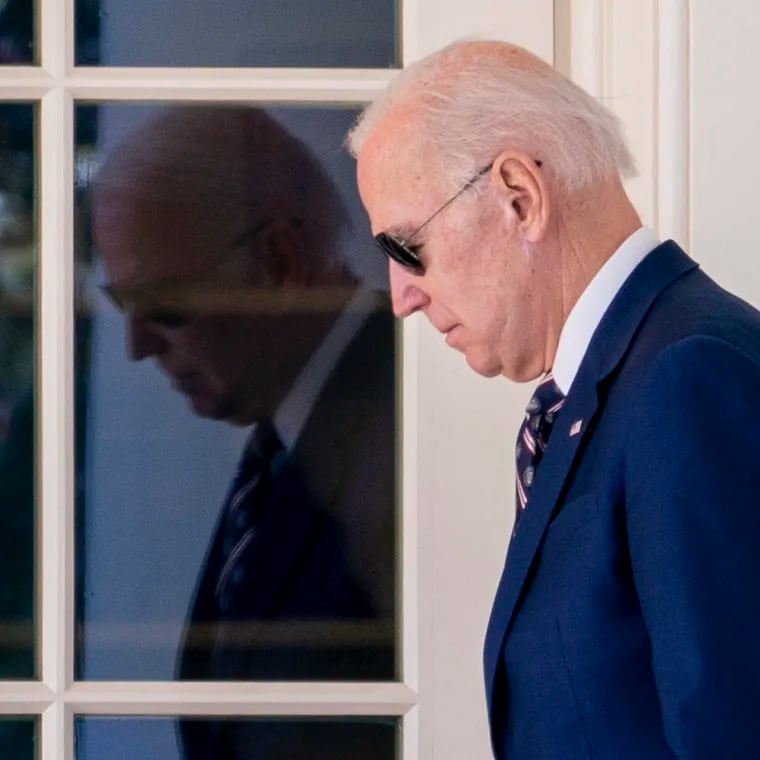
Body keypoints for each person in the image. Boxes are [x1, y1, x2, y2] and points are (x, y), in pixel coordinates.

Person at [348, 39, 760, 759]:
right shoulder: (621, 386)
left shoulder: (687, 380)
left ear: (519, 196)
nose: (401, 296)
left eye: (408, 248)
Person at [92, 106, 396, 759]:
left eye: (164, 305)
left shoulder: (411, 431)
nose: (135, 346)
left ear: (282, 261)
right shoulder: (288, 434)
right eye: (122, 304)